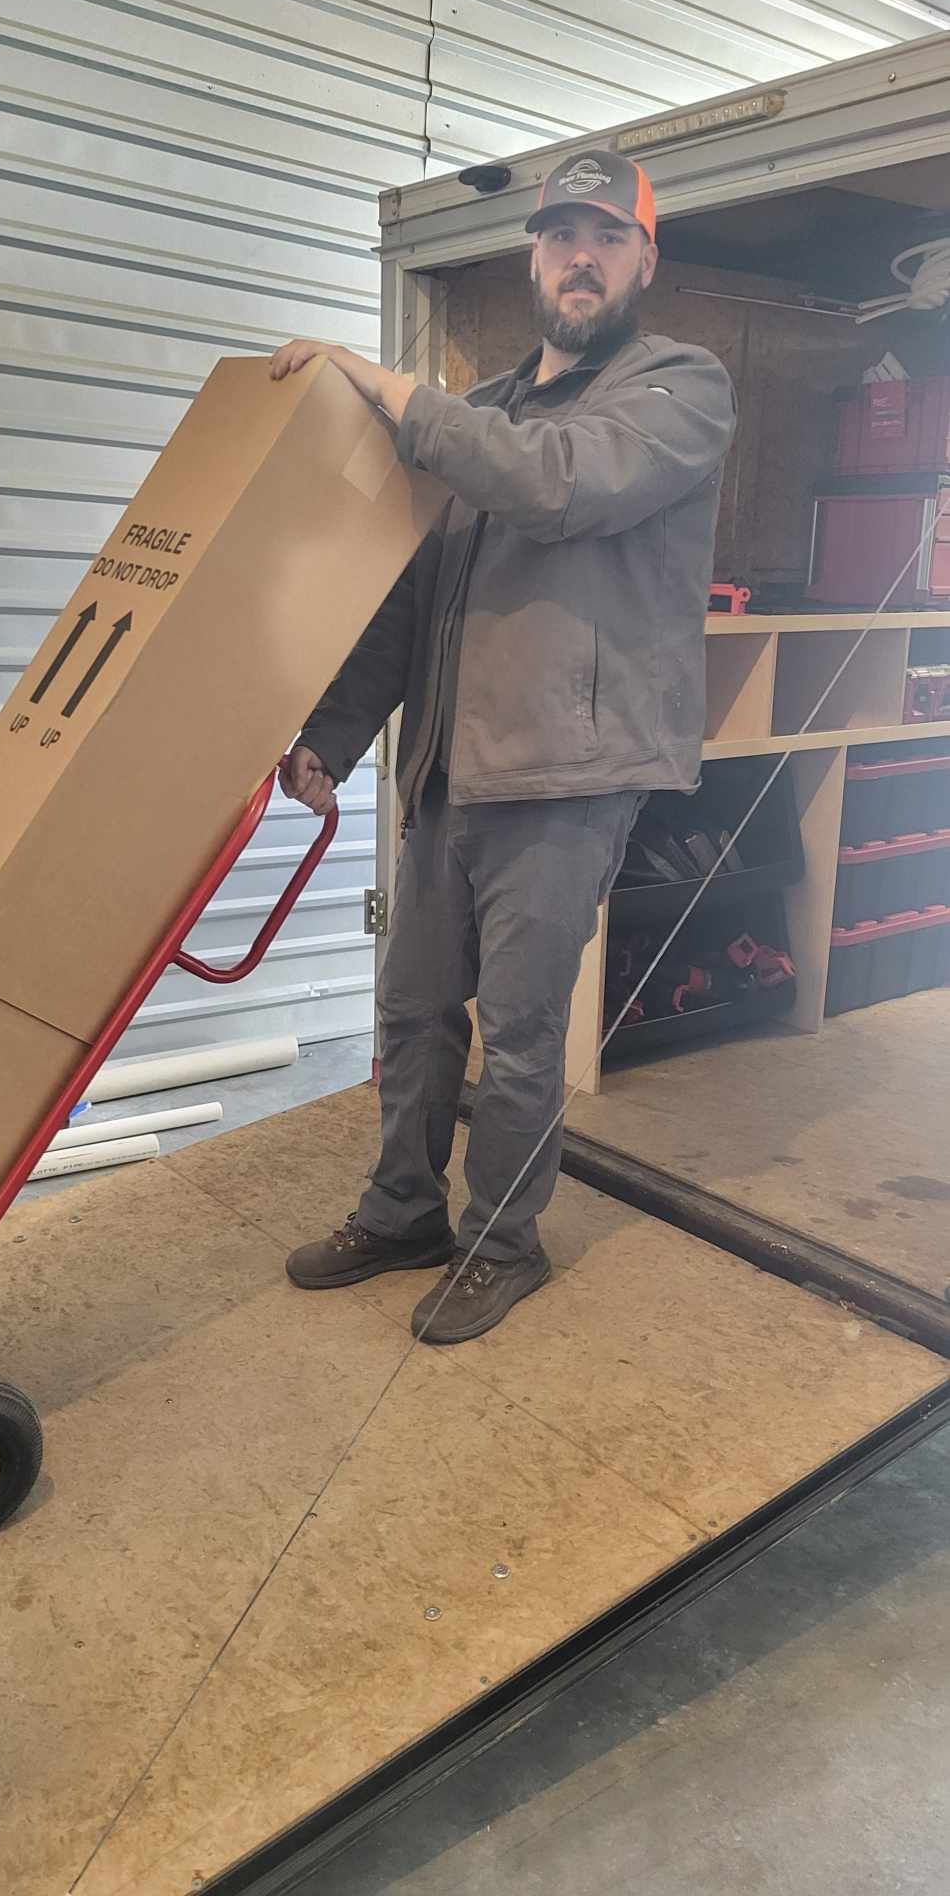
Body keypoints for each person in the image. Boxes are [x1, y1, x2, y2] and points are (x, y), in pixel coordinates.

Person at [270, 149, 736, 1346]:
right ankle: (402, 1212)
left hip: (568, 777)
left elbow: (559, 488)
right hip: (446, 770)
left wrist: (393, 394)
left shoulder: (679, 389)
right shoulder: (480, 416)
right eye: (558, 236)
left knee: (522, 1032)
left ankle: (500, 1242)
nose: (579, 256)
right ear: (532, 256)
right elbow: (408, 602)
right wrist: (334, 727)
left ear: (643, 259)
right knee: (413, 1010)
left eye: (605, 238)